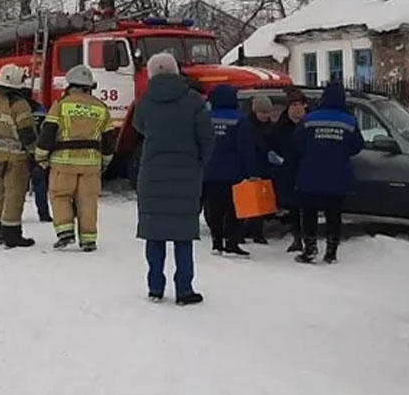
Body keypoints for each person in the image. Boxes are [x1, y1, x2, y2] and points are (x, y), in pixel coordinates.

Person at [133, 53, 215, 305]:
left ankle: (155, 288)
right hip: (186, 174)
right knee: (183, 236)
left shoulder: (145, 101)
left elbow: (139, 127)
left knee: (154, 233)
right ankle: (184, 290)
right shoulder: (193, 101)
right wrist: (199, 162)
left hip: (152, 174)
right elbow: (207, 137)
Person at [35, 65, 116, 252]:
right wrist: (105, 161)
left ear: (71, 86)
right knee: (88, 200)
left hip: (63, 163)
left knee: (60, 196)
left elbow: (48, 133)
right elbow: (109, 139)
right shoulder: (101, 108)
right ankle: (88, 240)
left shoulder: (62, 105)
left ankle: (65, 233)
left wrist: (41, 157)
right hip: (91, 164)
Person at [293, 83, 363, 264]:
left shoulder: (309, 120)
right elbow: (357, 146)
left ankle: (310, 249)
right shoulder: (349, 121)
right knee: (334, 214)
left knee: (309, 213)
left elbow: (297, 144)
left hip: (310, 175)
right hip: (337, 176)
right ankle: (331, 252)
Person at [0, 63, 38, 248]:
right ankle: (11, 234)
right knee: (15, 194)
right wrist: (34, 153)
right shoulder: (19, 103)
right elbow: (27, 133)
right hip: (16, 157)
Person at [202, 84, 253, 257]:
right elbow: (245, 147)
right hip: (234, 172)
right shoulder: (240, 119)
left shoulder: (206, 118)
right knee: (234, 208)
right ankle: (232, 242)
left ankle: (216, 243)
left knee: (213, 207)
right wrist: (250, 170)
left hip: (209, 170)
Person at [270, 88, 308, 253]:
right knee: (293, 208)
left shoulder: (309, 124)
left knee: (307, 207)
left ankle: (308, 238)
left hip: (307, 170)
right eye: (293, 105)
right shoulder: (282, 126)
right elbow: (273, 145)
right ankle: (297, 238)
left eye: (300, 105)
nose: (297, 109)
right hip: (288, 172)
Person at [243, 95, 276, 244]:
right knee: (248, 201)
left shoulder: (270, 127)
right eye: (262, 112)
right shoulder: (248, 126)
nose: (265, 115)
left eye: (267, 112)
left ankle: (257, 232)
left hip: (265, 168)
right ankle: (245, 230)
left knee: (261, 203)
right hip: (251, 167)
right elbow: (248, 148)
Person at [23, 89, 52, 222]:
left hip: (21, 152)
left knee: (17, 187)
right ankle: (44, 214)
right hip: (38, 153)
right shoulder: (41, 110)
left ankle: (13, 214)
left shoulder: (18, 109)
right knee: (40, 185)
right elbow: (47, 131)